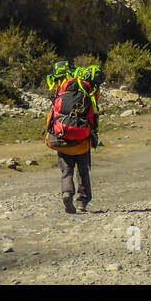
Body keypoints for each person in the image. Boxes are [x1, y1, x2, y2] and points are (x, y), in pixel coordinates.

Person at [45, 63, 101, 214]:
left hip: (63, 136)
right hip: (82, 139)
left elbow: (53, 115)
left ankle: (67, 192)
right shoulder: (89, 93)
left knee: (66, 169)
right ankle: (82, 201)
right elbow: (94, 117)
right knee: (83, 170)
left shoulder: (61, 90)